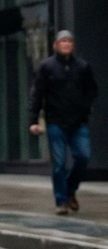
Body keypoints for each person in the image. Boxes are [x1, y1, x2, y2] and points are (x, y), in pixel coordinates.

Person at [29, 30, 98, 215]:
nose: (66, 44)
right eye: (63, 41)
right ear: (56, 45)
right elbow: (37, 94)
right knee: (59, 164)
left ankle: (70, 190)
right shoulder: (47, 67)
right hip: (55, 122)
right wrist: (33, 120)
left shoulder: (82, 67)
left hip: (78, 122)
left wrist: (85, 107)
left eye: (69, 41)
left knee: (83, 157)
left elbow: (92, 90)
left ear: (73, 45)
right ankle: (61, 201)